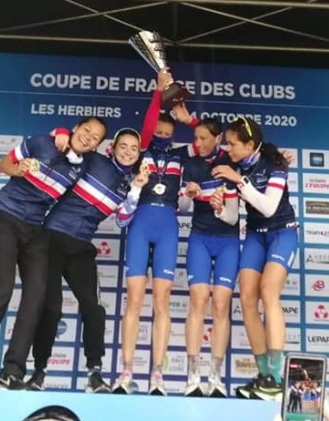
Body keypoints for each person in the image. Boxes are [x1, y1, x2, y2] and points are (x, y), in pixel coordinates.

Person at [0, 118, 106, 391]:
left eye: (95, 137)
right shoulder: (41, 142)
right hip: (6, 218)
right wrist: (18, 169)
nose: (88, 137)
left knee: (36, 298)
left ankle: (12, 372)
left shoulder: (83, 166)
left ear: (96, 146)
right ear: (75, 128)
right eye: (86, 130)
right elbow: (2, 165)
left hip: (36, 229)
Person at [26, 128, 149, 392]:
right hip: (52, 238)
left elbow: (122, 220)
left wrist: (136, 190)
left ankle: (94, 373)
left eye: (134, 149)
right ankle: (38, 372)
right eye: (123, 146)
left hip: (81, 246)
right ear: (113, 148)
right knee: (51, 309)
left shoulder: (129, 183)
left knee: (93, 308)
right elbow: (69, 144)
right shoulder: (94, 160)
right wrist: (60, 132)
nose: (128, 152)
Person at [211, 117, 297, 401]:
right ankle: (264, 375)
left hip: (282, 232)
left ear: (250, 145)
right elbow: (232, 217)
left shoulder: (276, 164)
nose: (228, 148)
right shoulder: (233, 168)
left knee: (268, 293)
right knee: (247, 298)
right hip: (255, 236)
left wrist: (240, 181)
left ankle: (277, 375)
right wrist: (219, 209)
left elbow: (269, 207)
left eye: (233, 143)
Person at [115, 71, 187, 396]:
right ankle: (126, 372)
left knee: (162, 302)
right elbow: (146, 127)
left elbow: (211, 142)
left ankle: (158, 374)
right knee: (134, 299)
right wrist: (158, 93)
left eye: (168, 133)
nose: (162, 136)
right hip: (140, 225)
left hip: (168, 227)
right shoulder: (141, 153)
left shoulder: (182, 156)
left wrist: (187, 118)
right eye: (158, 132)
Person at [172, 112, 239, 398]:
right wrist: (187, 194)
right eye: (195, 138)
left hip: (228, 241)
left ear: (218, 138)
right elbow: (182, 208)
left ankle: (216, 377)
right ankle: (192, 376)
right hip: (199, 237)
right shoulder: (191, 163)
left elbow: (233, 217)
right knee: (198, 301)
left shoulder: (231, 162)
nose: (197, 143)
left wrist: (220, 207)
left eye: (203, 138)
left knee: (221, 306)